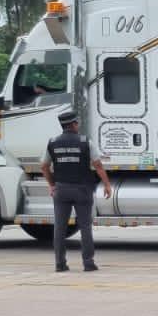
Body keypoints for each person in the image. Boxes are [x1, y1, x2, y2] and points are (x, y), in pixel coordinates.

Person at [41, 111, 112, 272]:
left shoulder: (52, 142)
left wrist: (52, 185)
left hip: (61, 190)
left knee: (59, 228)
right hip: (82, 190)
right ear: (73, 124)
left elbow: (44, 166)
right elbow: (98, 165)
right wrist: (107, 184)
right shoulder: (85, 141)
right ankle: (88, 263)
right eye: (77, 123)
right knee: (85, 227)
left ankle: (60, 264)